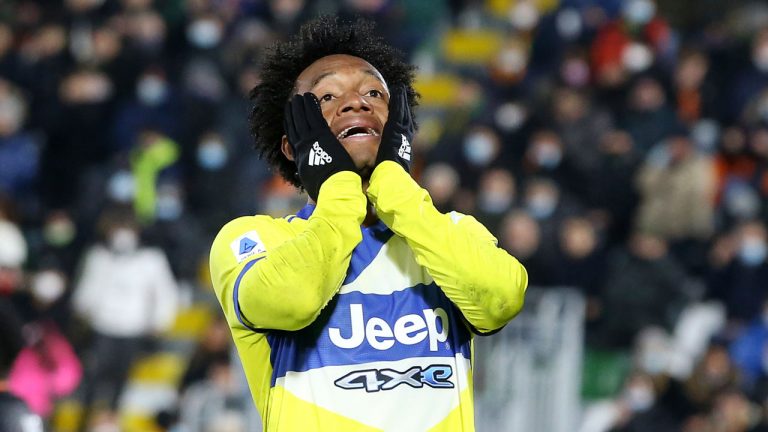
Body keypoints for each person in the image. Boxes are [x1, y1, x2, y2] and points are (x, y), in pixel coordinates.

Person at [208, 16, 529, 431]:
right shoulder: (253, 239)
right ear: (292, 145)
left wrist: (394, 185)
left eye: (374, 93)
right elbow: (294, 301)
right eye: (326, 97)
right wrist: (338, 187)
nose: (356, 102)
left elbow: (500, 301)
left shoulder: (450, 230)